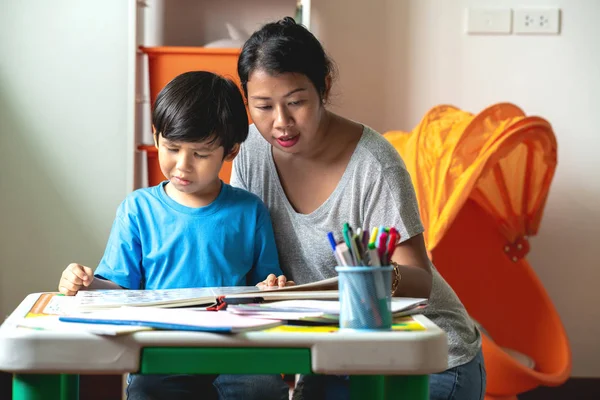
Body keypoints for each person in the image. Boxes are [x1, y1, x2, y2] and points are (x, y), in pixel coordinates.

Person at [231, 17, 486, 400]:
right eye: (263, 106)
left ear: (324, 87)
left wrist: (372, 275)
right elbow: (242, 250)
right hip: (340, 353)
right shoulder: (249, 151)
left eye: (296, 102)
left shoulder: (374, 163)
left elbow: (420, 278)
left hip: (427, 356)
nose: (280, 123)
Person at [57, 71, 293, 400]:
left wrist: (272, 286)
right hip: (163, 352)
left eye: (200, 154)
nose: (182, 165)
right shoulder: (137, 210)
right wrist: (86, 283)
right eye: (172, 148)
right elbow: (117, 289)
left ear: (231, 151)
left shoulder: (250, 212)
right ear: (156, 138)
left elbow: (266, 287)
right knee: (148, 390)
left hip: (239, 352)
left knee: (263, 388)